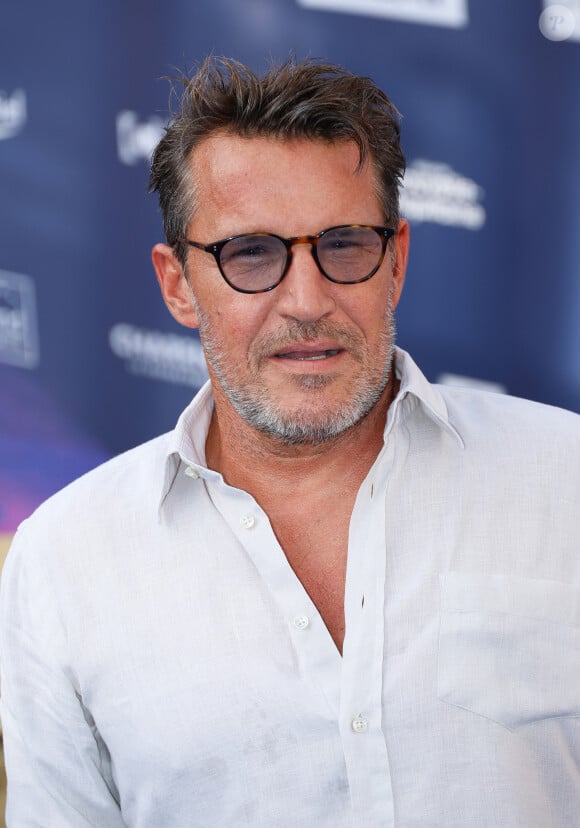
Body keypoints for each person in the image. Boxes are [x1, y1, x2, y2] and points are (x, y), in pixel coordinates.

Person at [1, 56, 579, 828]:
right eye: (250, 254)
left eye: (343, 245)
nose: (307, 302)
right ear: (177, 285)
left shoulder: (565, 482)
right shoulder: (64, 565)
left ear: (397, 261)